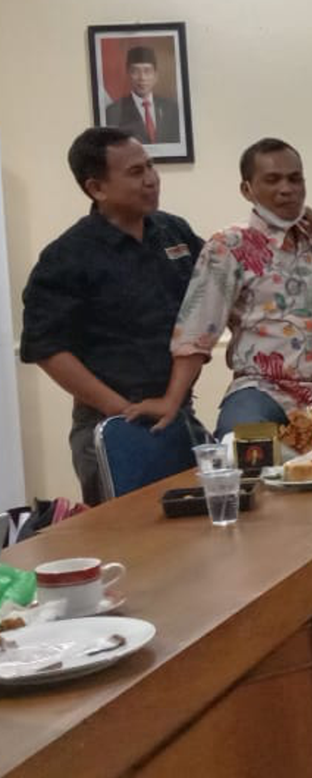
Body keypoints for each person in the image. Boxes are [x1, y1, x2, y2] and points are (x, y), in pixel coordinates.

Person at [126, 138, 312, 435]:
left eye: (295, 179)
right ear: (247, 189)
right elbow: (196, 331)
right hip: (266, 393)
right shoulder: (229, 246)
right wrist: (171, 400)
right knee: (239, 447)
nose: (286, 189)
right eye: (272, 180)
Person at [19, 127, 205, 504]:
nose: (151, 179)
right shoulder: (67, 256)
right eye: (136, 172)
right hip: (112, 424)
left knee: (197, 530)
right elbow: (46, 347)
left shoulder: (173, 231)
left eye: (150, 166)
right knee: (126, 536)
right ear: (97, 188)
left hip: (178, 412)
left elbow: (215, 293)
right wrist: (121, 411)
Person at [104, 46, 181, 144]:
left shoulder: (172, 108)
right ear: (128, 75)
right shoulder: (113, 112)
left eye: (147, 71)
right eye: (135, 71)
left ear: (156, 76)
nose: (142, 78)